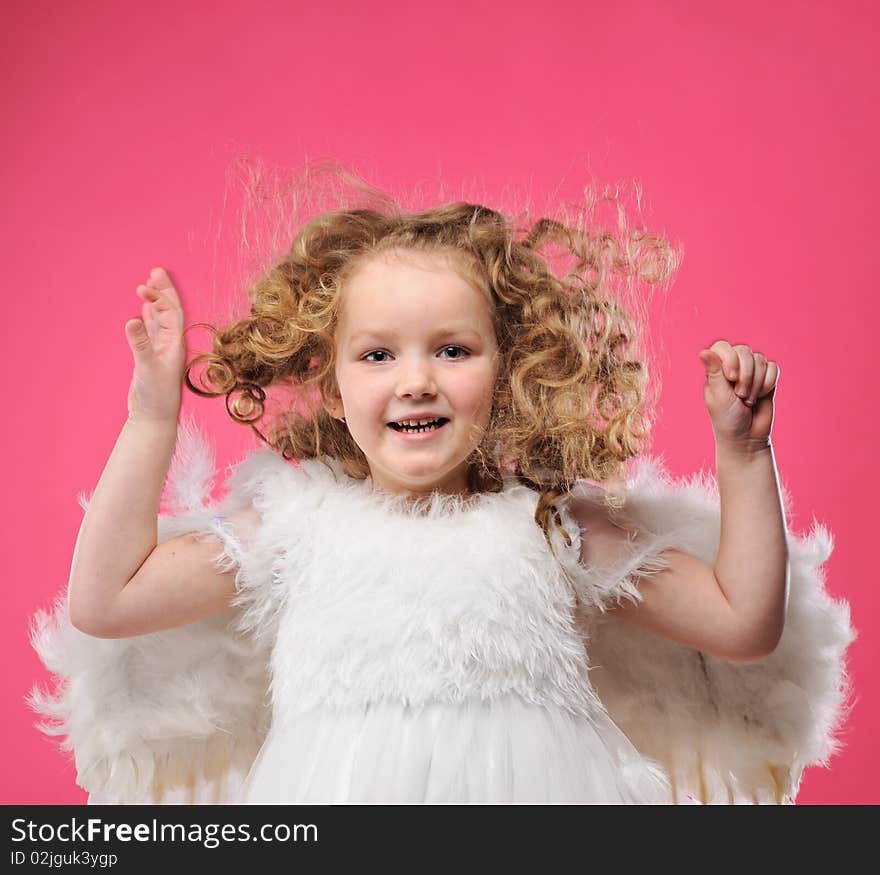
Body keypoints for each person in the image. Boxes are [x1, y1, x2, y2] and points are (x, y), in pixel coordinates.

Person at [29, 200, 855, 805]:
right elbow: (108, 599)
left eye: (452, 349)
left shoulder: (550, 525)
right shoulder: (295, 525)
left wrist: (745, 452)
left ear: (509, 368)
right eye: (378, 352)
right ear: (333, 377)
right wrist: (151, 417)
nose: (416, 378)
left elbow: (746, 624)